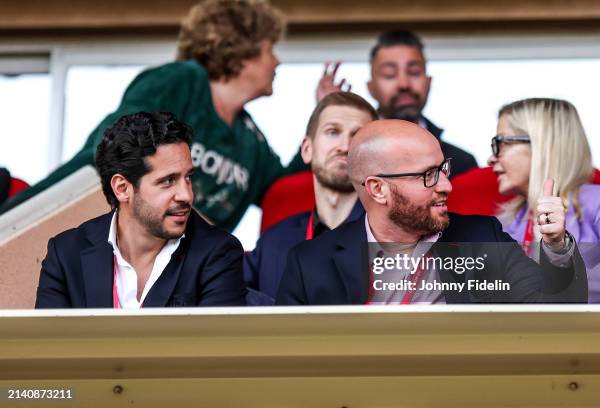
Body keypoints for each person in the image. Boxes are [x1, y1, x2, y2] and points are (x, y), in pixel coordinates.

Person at [1, 0, 306, 231]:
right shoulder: (182, 81)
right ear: (242, 50)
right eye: (269, 49)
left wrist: (320, 124)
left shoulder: (250, 139)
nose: (277, 61)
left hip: (176, 272)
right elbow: (115, 148)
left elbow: (284, 191)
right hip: (68, 221)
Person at [276, 119, 587, 305]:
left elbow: (552, 308)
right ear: (378, 189)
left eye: (443, 170)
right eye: (428, 175)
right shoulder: (310, 263)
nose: (447, 186)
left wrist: (557, 247)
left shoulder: (481, 238)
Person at [36, 112, 246, 308]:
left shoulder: (220, 254)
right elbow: (47, 346)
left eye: (188, 177)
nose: (187, 195)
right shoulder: (65, 254)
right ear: (122, 188)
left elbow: (213, 347)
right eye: (168, 181)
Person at [244, 92, 377, 304]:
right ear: (307, 150)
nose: (344, 146)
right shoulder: (272, 242)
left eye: (357, 136)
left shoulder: (400, 238)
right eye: (332, 132)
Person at [488, 97, 600, 303]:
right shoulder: (505, 224)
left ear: (542, 144)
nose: (491, 158)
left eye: (500, 143)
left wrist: (550, 292)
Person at [316, 30, 477, 178]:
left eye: (414, 72)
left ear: (428, 83)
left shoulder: (462, 164)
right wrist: (327, 115)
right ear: (370, 88)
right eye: (389, 74)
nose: (404, 83)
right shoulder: (348, 154)